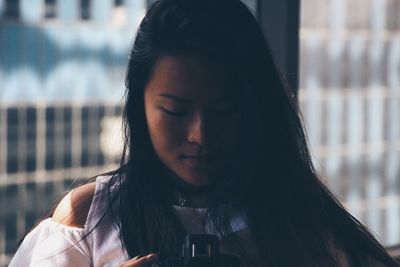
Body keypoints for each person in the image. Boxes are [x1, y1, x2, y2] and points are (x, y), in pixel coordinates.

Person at [8, 0, 400, 266]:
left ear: (255, 107)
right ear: (138, 104)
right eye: (175, 111)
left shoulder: (302, 217)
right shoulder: (88, 221)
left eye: (225, 111)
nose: (200, 134)